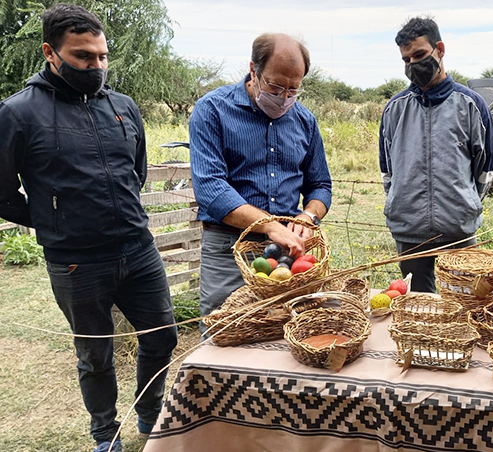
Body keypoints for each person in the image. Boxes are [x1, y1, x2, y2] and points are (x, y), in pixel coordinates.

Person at [0, 4, 177, 452]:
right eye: (83, 57)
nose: (96, 66)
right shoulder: (18, 113)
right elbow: (1, 191)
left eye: (102, 56)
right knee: (95, 356)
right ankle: (105, 434)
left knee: (162, 337)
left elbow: (135, 173)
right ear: (50, 53)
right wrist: (53, 222)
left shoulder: (123, 107)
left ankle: (150, 414)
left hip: (138, 249)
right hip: (76, 261)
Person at [190, 33, 332, 324]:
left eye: (293, 90)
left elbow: (320, 185)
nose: (283, 98)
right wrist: (268, 225)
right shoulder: (212, 110)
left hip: (286, 252)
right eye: (276, 86)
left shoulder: (305, 121)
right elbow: (210, 187)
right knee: (224, 332)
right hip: (229, 248)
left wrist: (308, 216)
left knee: (286, 332)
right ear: (254, 69)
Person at [379, 16, 493, 293]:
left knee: (463, 304)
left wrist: (462, 203)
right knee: (418, 307)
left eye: (419, 55)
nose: (413, 65)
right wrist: (405, 201)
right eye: (406, 60)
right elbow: (388, 171)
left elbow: (485, 169)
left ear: (440, 49)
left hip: (458, 231)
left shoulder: (471, 104)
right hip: (409, 232)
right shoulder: (394, 108)